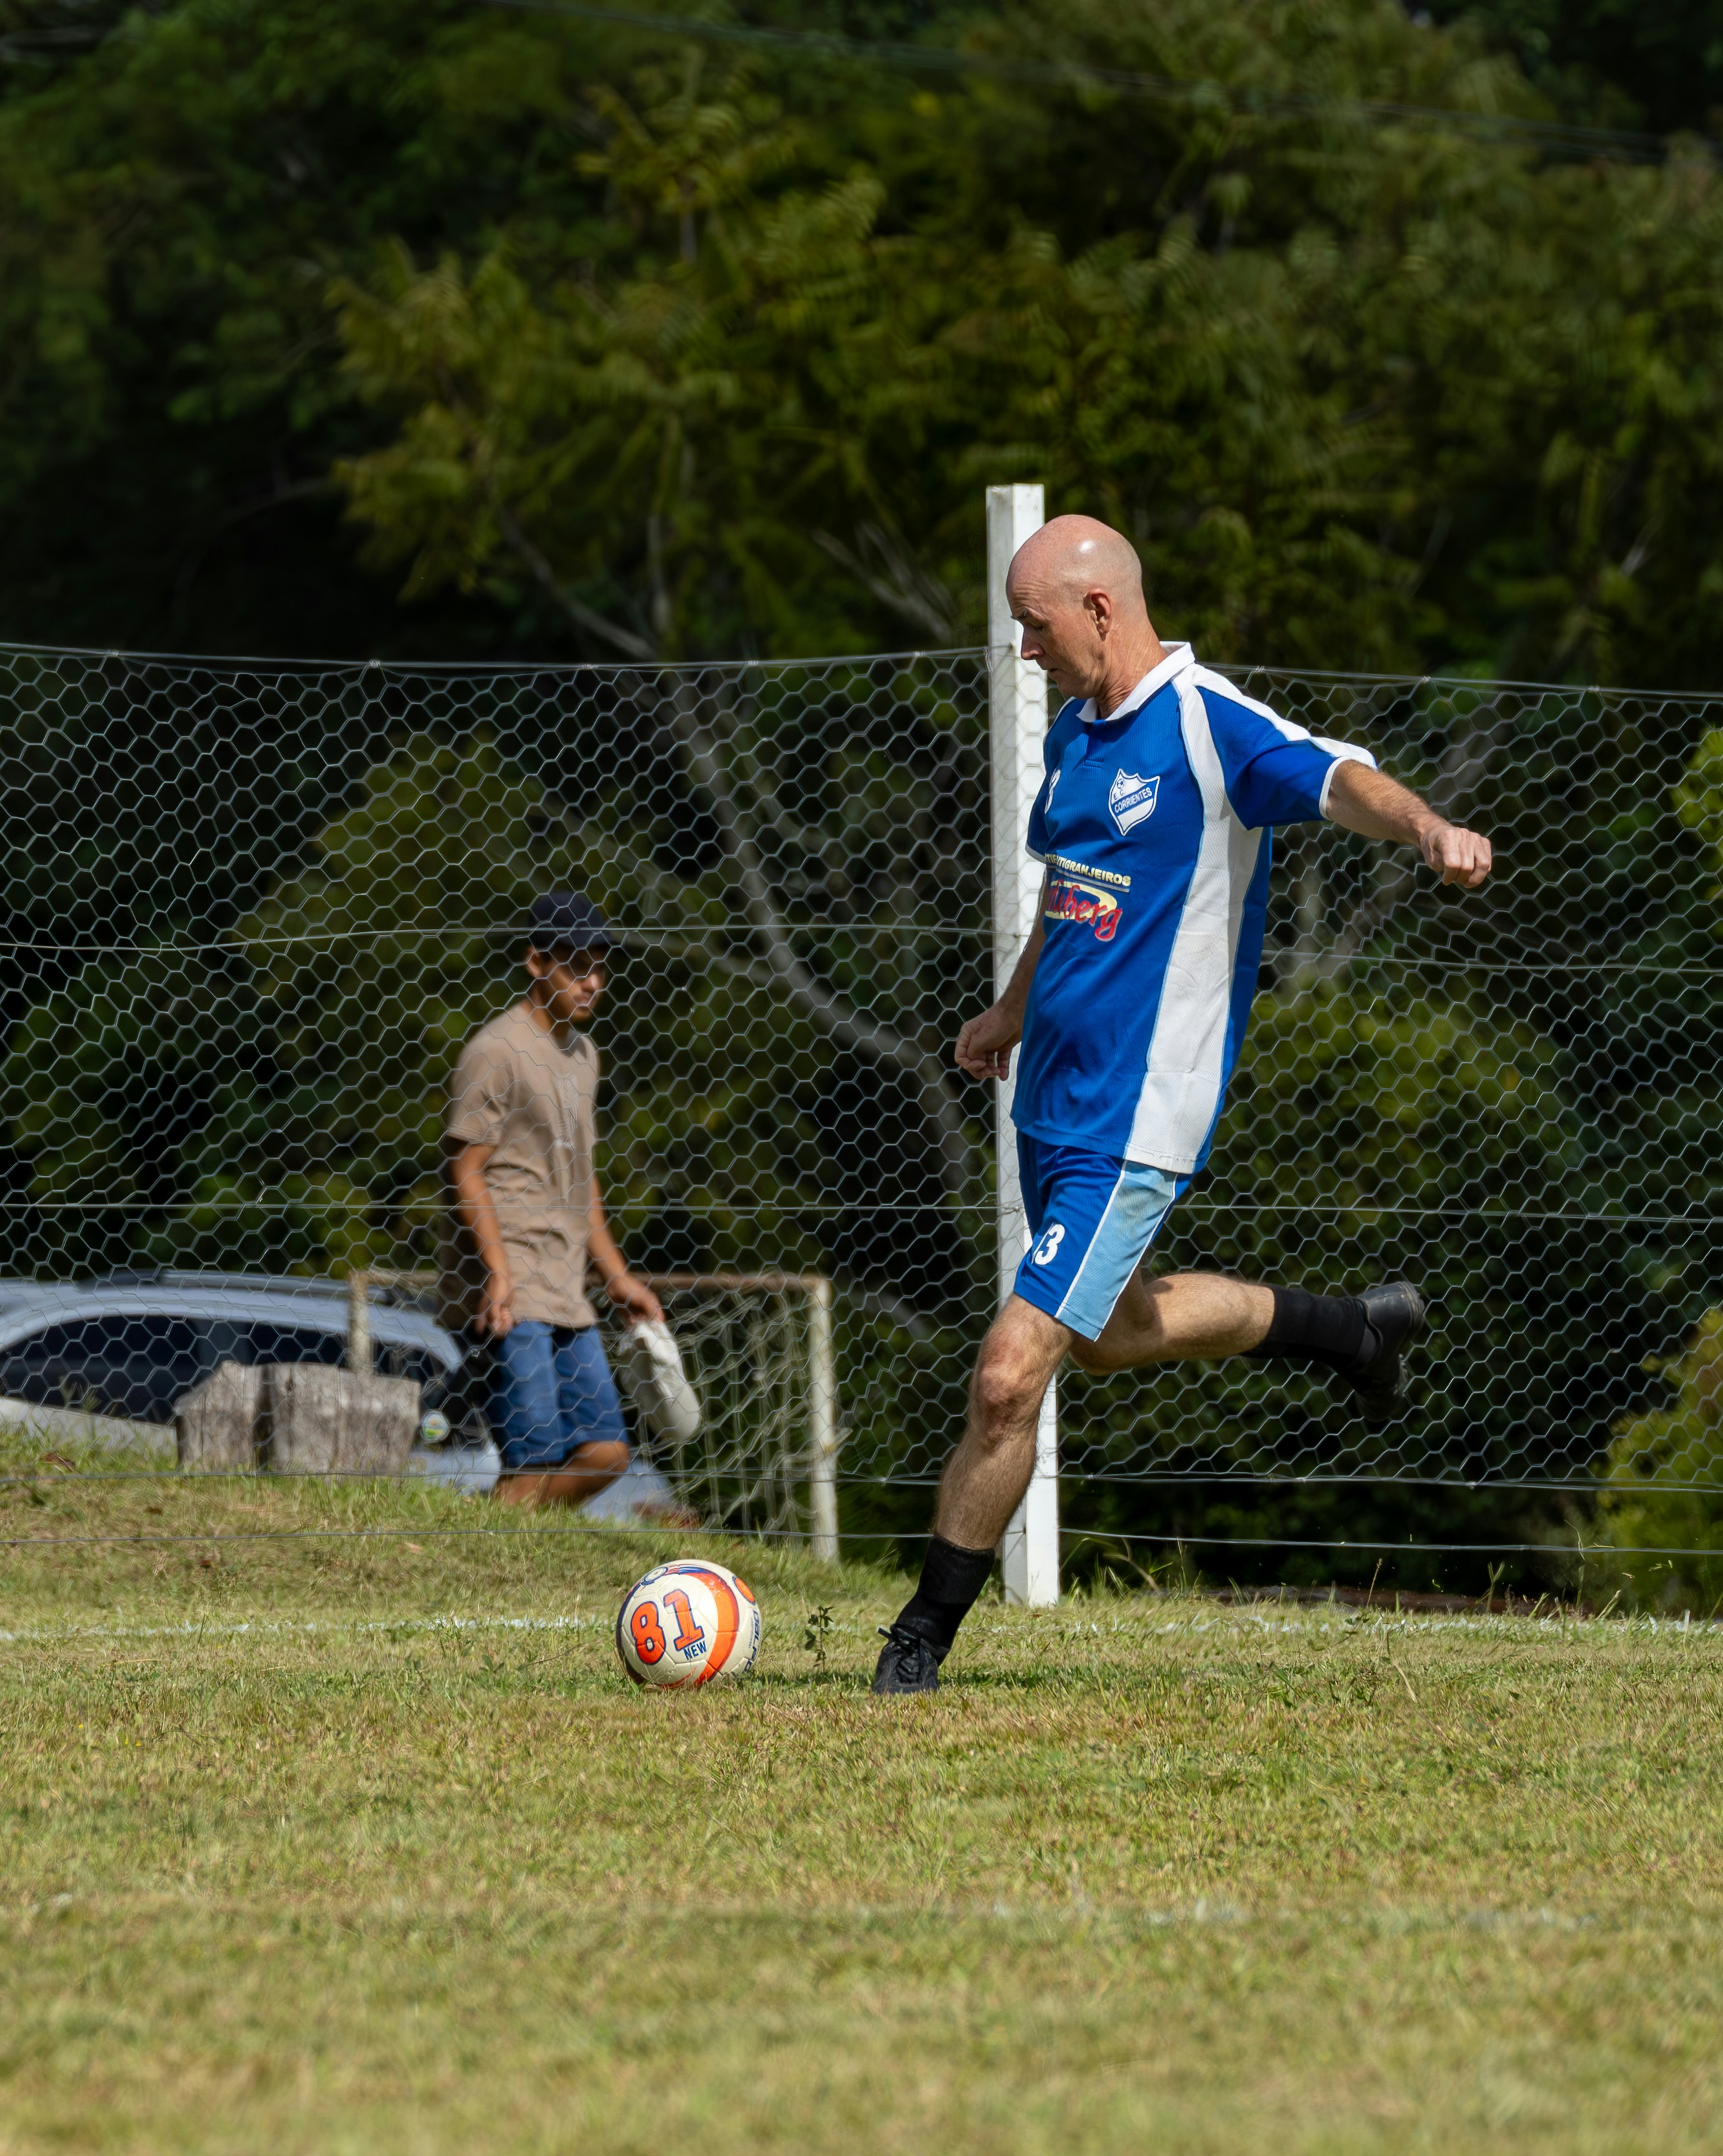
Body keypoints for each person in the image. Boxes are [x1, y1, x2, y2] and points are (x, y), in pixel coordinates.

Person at [872, 516, 1494, 1694]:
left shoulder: (1208, 724)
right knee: (1095, 1335)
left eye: (1033, 625)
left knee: (1011, 1371)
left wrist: (1425, 826)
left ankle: (916, 1642)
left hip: (1135, 1116)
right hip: (1048, 1103)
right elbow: (1073, 886)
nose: (1021, 650)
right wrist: (1011, 1010)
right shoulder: (1074, 735)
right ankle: (1348, 1327)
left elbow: (1334, 775)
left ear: (1100, 610)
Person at [441, 890, 664, 1507]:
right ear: (537, 964)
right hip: (514, 1289)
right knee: (532, 1457)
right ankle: (493, 1556)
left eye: (600, 965)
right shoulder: (495, 1052)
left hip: (569, 1288)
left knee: (607, 1454)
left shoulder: (584, 1054)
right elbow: (465, 1168)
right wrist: (497, 1273)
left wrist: (617, 1275)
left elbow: (580, 1175)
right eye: (576, 966)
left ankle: (486, 1525)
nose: (593, 981)